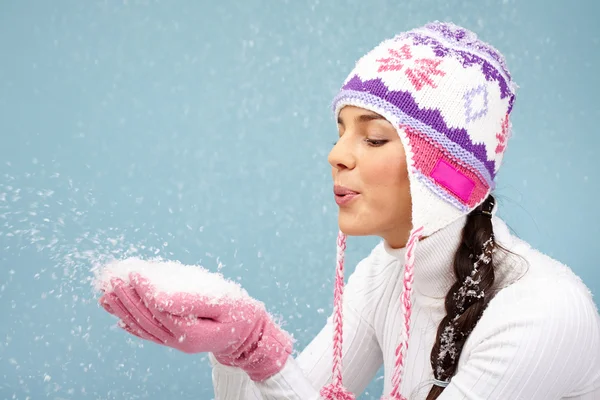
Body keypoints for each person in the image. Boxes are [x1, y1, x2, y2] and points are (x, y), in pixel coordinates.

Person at [99, 21, 600, 399]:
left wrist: (265, 354)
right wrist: (235, 350)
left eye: (375, 136)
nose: (336, 154)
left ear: (445, 175)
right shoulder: (384, 274)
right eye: (341, 129)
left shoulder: (539, 311)